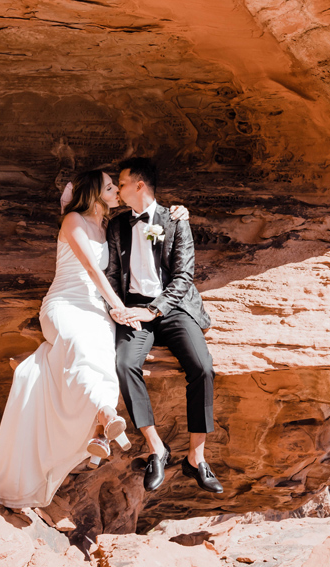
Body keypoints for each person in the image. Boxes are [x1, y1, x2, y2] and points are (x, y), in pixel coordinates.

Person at [0, 169, 188, 510]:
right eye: (110, 187)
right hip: (65, 303)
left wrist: (178, 213)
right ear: (94, 193)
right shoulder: (73, 220)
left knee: (105, 355)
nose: (116, 191)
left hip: (96, 309)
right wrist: (119, 308)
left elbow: (148, 226)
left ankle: (99, 427)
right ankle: (105, 417)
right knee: (79, 346)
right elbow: (92, 270)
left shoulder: (111, 225)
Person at [105, 157, 223, 494]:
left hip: (172, 308)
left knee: (202, 368)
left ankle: (196, 457)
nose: (118, 188)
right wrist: (119, 308)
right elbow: (113, 275)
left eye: (122, 182)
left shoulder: (174, 220)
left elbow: (185, 276)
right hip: (133, 308)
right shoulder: (116, 227)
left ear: (139, 185)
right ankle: (157, 447)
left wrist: (154, 311)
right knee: (125, 364)